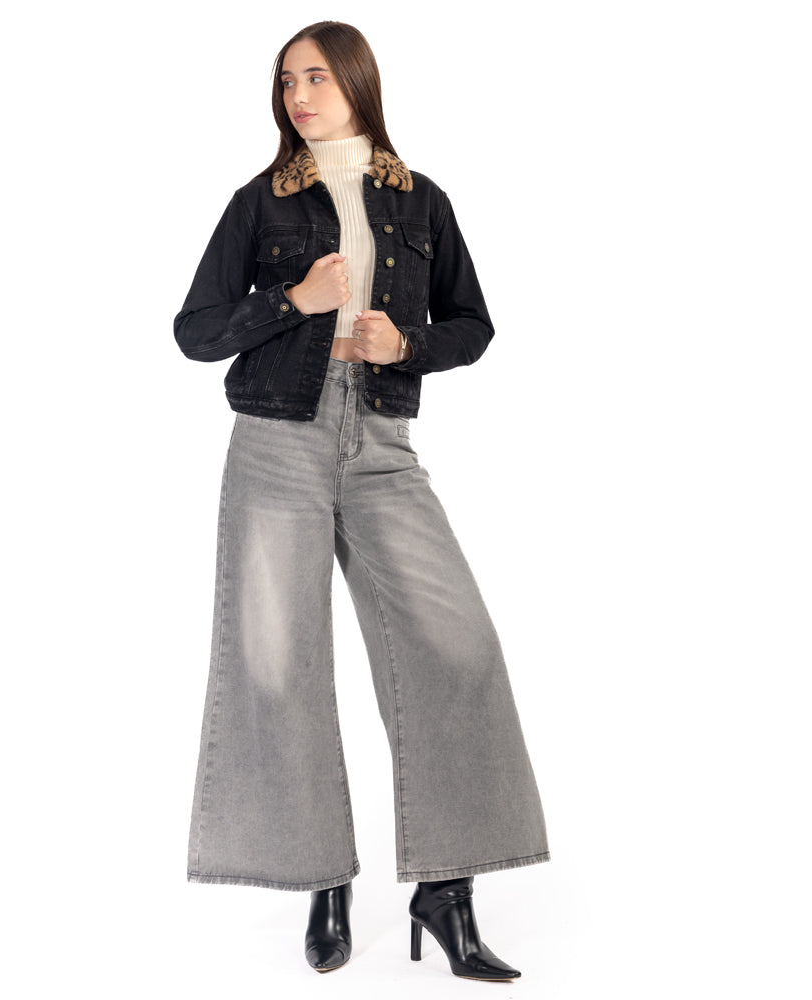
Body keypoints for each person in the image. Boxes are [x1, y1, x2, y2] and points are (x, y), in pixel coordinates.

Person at [173, 21, 549, 981]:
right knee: (277, 664)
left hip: (380, 443)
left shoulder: (421, 200)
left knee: (459, 647)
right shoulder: (259, 202)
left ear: (357, 82)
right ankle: (323, 881)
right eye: (284, 80)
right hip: (276, 443)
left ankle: (447, 891)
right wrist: (291, 302)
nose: (297, 95)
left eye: (315, 76)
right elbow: (196, 330)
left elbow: (473, 324)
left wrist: (405, 345)